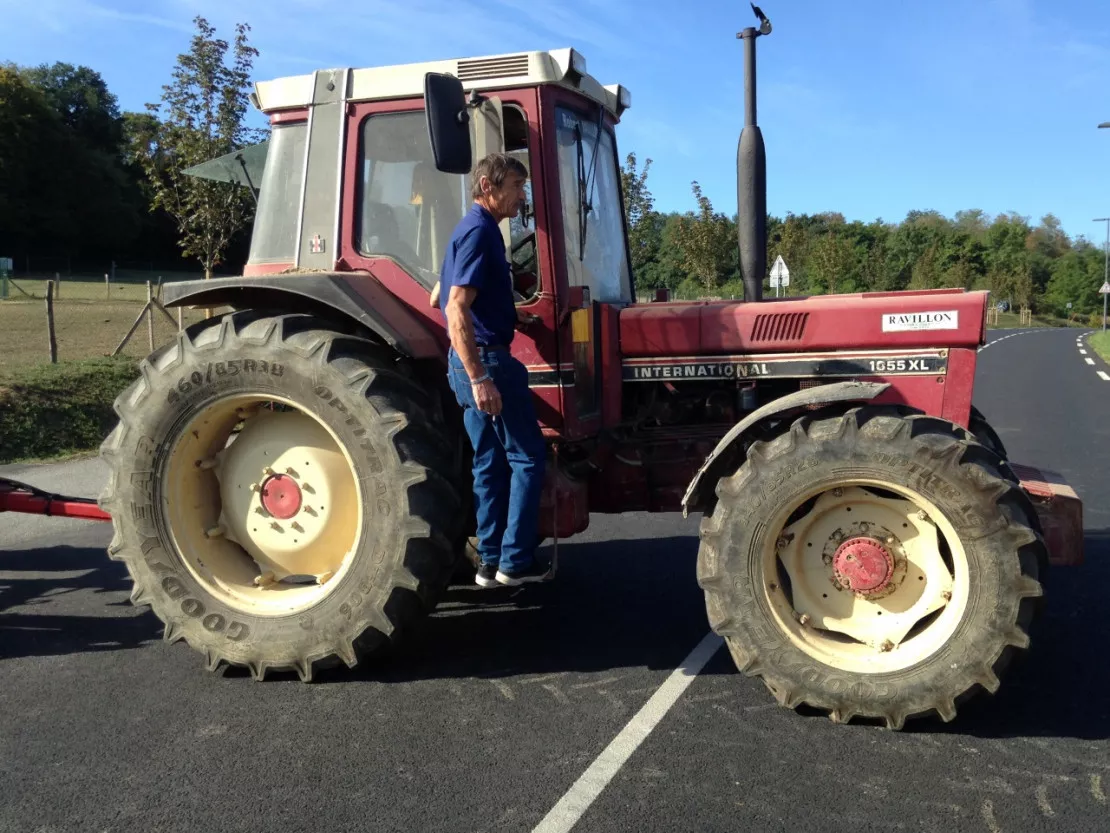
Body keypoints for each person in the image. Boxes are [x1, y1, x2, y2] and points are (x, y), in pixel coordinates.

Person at [440, 152, 549, 588]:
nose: (521, 197)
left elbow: (439, 294)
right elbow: (453, 307)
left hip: (471, 358)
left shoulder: (467, 231)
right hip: (486, 363)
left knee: (487, 462)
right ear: (489, 187)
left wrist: (509, 314)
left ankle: (488, 562)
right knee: (528, 457)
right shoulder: (479, 234)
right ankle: (515, 562)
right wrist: (480, 377)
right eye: (516, 188)